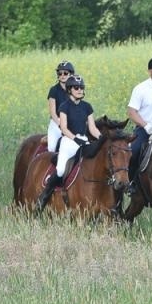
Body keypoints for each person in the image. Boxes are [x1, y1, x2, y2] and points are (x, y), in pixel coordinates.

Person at [37, 75, 100, 210]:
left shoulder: (87, 107)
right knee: (60, 170)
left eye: (81, 87)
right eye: (76, 88)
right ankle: (45, 195)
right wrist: (74, 138)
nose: (79, 90)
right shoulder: (64, 106)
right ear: (70, 90)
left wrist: (102, 138)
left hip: (83, 141)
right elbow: (63, 128)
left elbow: (92, 128)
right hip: (68, 141)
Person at [46, 61, 76, 157]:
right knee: (51, 148)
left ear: (71, 74)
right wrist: (61, 124)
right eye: (60, 73)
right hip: (56, 123)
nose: (62, 75)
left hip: (71, 123)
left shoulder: (75, 90)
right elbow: (53, 113)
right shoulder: (53, 90)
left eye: (65, 73)